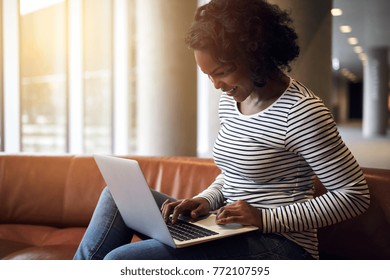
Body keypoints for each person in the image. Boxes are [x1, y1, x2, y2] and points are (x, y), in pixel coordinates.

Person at [74, 0, 370, 260]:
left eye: (222, 72)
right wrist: (206, 199)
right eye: (209, 75)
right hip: (228, 227)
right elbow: (233, 174)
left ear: (257, 55)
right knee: (115, 197)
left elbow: (354, 195)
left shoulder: (302, 112)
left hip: (282, 245)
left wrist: (264, 219)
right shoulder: (232, 100)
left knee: (120, 262)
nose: (216, 85)